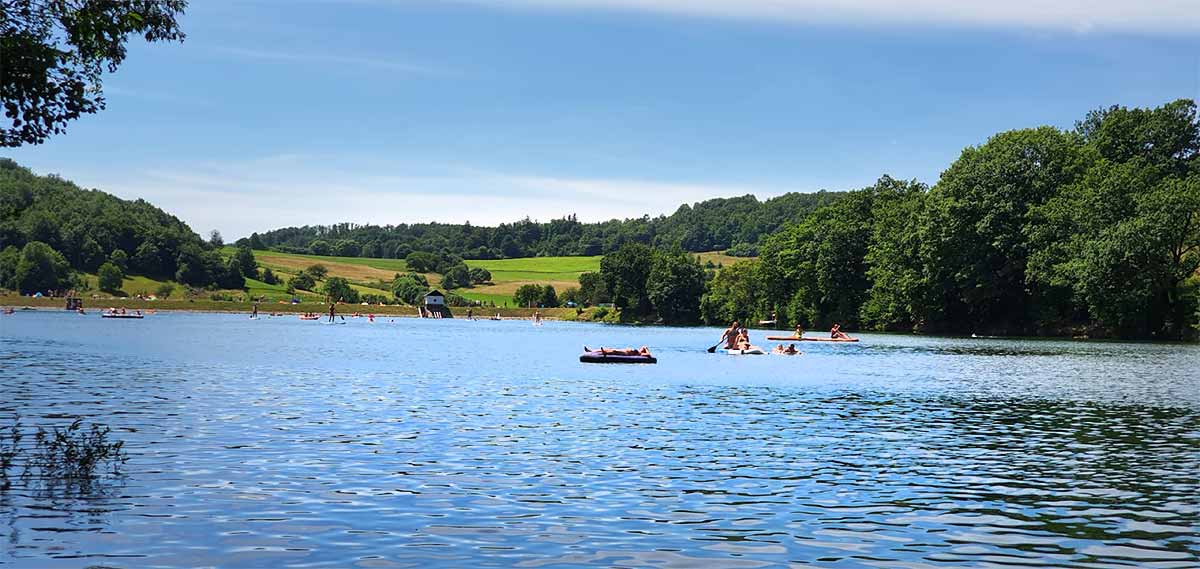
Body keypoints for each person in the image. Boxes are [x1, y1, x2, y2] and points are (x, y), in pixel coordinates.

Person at [586, 346, 652, 357]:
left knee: (614, 351)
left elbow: (649, 355)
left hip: (626, 354)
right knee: (608, 348)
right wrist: (645, 348)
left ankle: (605, 353)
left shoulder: (641, 354)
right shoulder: (641, 350)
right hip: (624, 351)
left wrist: (647, 350)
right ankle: (591, 350)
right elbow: (644, 346)